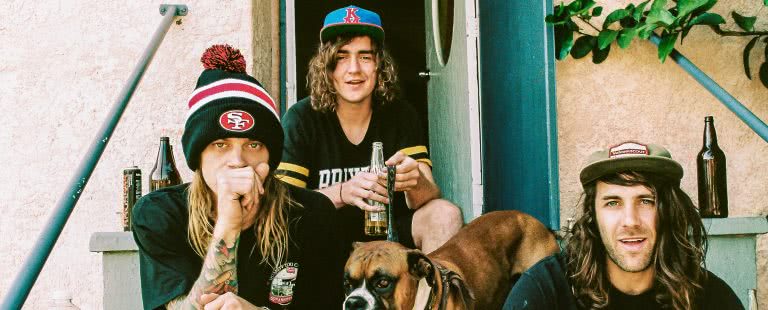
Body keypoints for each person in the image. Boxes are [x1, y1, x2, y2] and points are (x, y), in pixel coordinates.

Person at [132, 44, 344, 310]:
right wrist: (228, 226)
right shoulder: (161, 214)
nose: (238, 161)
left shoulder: (311, 213)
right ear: (197, 156)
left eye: (253, 144)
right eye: (220, 144)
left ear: (271, 156)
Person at [276, 5, 463, 253]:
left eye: (365, 57)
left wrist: (414, 181)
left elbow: (428, 197)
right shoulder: (302, 118)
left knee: (445, 214)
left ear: (379, 66)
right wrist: (343, 191)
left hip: (390, 244)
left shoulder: (400, 114)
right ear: (327, 68)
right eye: (341, 57)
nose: (354, 68)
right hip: (324, 244)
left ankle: (434, 292)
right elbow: (283, 205)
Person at [504, 141, 743, 310]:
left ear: (669, 211)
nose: (630, 220)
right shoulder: (546, 292)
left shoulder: (711, 298)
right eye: (613, 203)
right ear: (593, 216)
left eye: (646, 201)